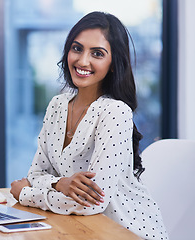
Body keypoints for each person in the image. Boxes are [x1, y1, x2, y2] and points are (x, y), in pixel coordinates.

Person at [10, 11, 168, 240]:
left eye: (97, 53)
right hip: (79, 230)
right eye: (77, 48)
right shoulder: (57, 105)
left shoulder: (115, 113)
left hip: (127, 233)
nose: (83, 61)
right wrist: (60, 183)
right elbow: (36, 173)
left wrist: (25, 194)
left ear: (114, 63)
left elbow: (90, 204)